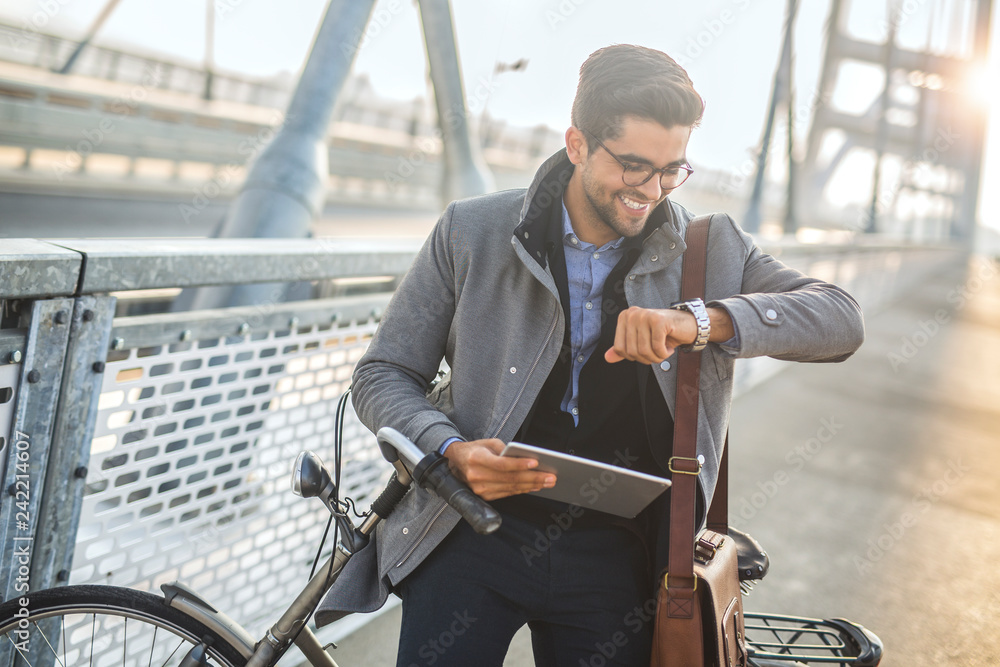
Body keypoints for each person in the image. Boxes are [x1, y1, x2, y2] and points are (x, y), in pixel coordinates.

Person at [316, 44, 864, 665]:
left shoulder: (709, 252)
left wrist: (698, 321)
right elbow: (382, 375)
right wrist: (447, 450)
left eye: (672, 170)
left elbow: (840, 320)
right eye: (633, 165)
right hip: (469, 533)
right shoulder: (473, 232)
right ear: (576, 144)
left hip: (623, 559)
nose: (652, 190)